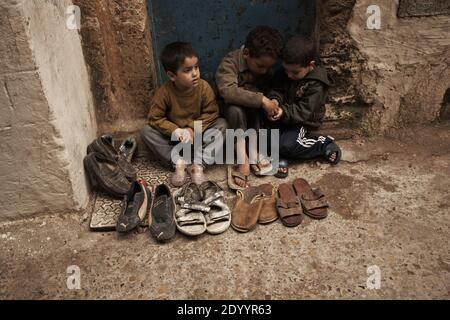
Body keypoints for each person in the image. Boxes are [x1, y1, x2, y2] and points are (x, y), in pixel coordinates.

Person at [141, 42, 227, 186]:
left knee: (222, 124)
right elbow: (154, 118)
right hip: (176, 139)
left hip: (199, 136)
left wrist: (193, 128)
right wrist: (176, 130)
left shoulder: (204, 87)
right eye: (187, 70)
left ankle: (198, 165)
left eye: (196, 67)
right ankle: (178, 163)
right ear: (172, 75)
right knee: (146, 132)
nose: (195, 73)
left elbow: (212, 113)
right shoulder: (164, 93)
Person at [215, 26, 284, 189]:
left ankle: (254, 152)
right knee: (236, 109)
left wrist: (274, 102)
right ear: (246, 53)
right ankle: (242, 158)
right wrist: (261, 100)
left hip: (253, 117)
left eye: (268, 67)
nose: (265, 71)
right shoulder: (229, 63)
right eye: (261, 66)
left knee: (258, 106)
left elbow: (274, 89)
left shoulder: (265, 68)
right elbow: (228, 91)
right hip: (231, 115)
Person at [267, 35, 342, 177]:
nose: (288, 75)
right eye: (286, 70)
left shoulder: (316, 84)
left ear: (311, 65)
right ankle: (278, 154)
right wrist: (275, 101)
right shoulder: (287, 71)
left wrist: (283, 112)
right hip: (284, 116)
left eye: (294, 72)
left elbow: (304, 111)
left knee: (286, 145)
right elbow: (277, 89)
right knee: (262, 134)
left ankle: (323, 144)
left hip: (302, 121)